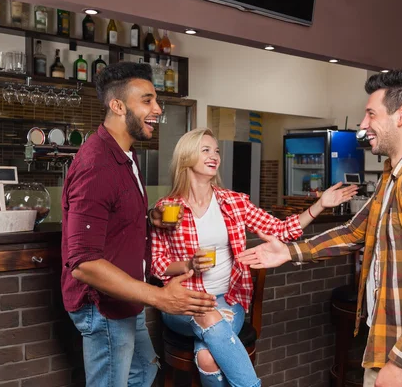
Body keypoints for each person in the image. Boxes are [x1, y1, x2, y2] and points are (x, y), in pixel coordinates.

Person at [238, 70, 402, 387]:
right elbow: (354, 231)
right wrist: (290, 251)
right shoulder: (394, 175)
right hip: (392, 342)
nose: (362, 125)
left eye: (371, 114)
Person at [150, 127, 359, 387]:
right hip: (182, 302)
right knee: (207, 315)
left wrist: (319, 205)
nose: (215, 155)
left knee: (207, 359)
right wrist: (189, 265)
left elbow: (281, 229)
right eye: (206, 150)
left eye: (216, 150)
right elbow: (158, 265)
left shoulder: (234, 203)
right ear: (186, 156)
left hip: (227, 300)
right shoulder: (166, 209)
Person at [60, 62, 217, 387]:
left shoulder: (124, 156)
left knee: (144, 372)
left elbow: (111, 217)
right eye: (147, 100)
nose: (157, 109)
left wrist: (147, 219)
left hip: (127, 299)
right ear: (117, 105)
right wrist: (159, 298)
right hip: (104, 306)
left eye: (156, 100)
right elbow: (83, 264)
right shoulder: (98, 164)